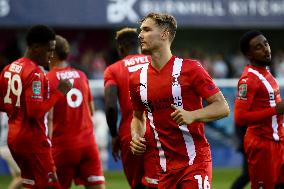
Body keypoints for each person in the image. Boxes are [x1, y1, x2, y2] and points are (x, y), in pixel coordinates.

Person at [129, 12, 230, 189]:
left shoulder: (191, 69)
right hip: (162, 167)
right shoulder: (137, 78)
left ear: (164, 34)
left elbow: (222, 107)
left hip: (195, 162)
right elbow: (137, 117)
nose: (140, 35)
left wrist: (193, 115)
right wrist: (136, 135)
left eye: (146, 30)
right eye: (140, 30)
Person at [0, 25, 72, 189]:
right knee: (52, 185)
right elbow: (35, 112)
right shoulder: (35, 74)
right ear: (36, 48)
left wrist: (18, 113)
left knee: (31, 184)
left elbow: (3, 105)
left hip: (13, 138)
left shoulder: (8, 69)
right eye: (49, 50)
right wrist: (59, 93)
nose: (51, 55)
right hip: (32, 141)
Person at [47, 35, 105, 189]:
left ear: (51, 54)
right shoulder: (82, 75)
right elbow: (91, 110)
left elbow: (47, 117)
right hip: (88, 144)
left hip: (62, 147)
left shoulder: (47, 79)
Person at [104, 27, 158, 189]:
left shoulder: (112, 70)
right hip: (159, 131)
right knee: (160, 183)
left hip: (131, 134)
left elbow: (111, 106)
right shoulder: (156, 62)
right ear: (141, 44)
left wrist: (114, 135)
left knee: (138, 185)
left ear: (120, 48)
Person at [234, 30, 284, 189]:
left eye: (266, 44)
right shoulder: (248, 80)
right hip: (262, 145)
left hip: (278, 141)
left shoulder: (266, 73)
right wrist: (276, 110)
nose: (266, 49)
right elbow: (240, 117)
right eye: (258, 47)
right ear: (249, 55)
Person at [0, 112, 22, 189]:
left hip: (5, 147)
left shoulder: (5, 110)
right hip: (8, 148)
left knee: (17, 177)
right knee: (24, 177)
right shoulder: (12, 110)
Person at [230, 125, 250, 189]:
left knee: (248, 175)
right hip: (248, 146)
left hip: (247, 146)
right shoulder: (242, 117)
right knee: (247, 175)